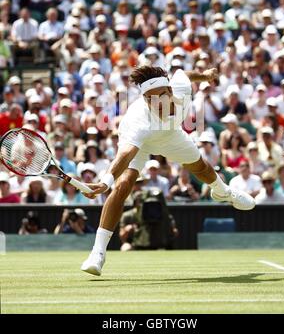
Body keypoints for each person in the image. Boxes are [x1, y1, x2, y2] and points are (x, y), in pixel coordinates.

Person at [80, 65, 255, 276]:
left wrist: (205, 76)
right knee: (123, 186)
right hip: (140, 141)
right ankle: (97, 253)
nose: (156, 103)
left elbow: (186, 74)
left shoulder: (180, 86)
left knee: (201, 167)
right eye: (149, 98)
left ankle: (223, 192)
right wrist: (105, 182)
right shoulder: (139, 121)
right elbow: (125, 154)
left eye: (161, 96)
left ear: (170, 91)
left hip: (171, 135)